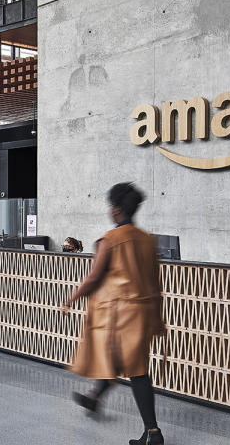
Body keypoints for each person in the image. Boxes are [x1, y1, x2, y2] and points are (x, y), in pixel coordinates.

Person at [61, 183, 166, 445]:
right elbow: (155, 282)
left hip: (118, 316)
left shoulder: (111, 239)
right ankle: (95, 399)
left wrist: (71, 298)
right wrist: (158, 318)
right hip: (142, 314)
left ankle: (153, 432)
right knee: (125, 363)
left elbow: (95, 277)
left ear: (117, 210)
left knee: (133, 370)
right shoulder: (147, 239)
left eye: (110, 206)